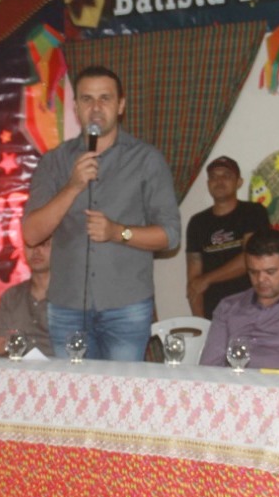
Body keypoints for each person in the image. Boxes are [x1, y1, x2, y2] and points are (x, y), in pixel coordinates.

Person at [22, 65, 180, 361]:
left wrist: (117, 232)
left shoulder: (146, 160)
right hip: (66, 306)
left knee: (122, 389)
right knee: (72, 390)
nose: (95, 108)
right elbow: (31, 233)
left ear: (121, 106)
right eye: (87, 99)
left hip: (127, 307)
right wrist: (72, 186)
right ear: (75, 108)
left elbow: (170, 235)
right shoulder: (54, 162)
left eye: (105, 98)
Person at [199, 229, 279, 369]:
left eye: (270, 272)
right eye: (253, 272)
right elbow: (209, 366)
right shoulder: (228, 307)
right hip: (235, 380)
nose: (261, 279)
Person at [185, 156, 270, 319]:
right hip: (214, 314)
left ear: (239, 182)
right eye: (214, 177)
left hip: (252, 309)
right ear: (208, 184)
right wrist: (201, 324)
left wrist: (207, 279)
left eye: (226, 175)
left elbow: (251, 257)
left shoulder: (253, 212)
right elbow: (194, 282)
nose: (219, 181)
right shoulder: (197, 222)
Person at [0, 236, 53, 357]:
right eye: (30, 246)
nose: (36, 251)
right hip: (16, 366)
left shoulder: (72, 297)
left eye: (44, 244)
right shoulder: (11, 296)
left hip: (60, 367)